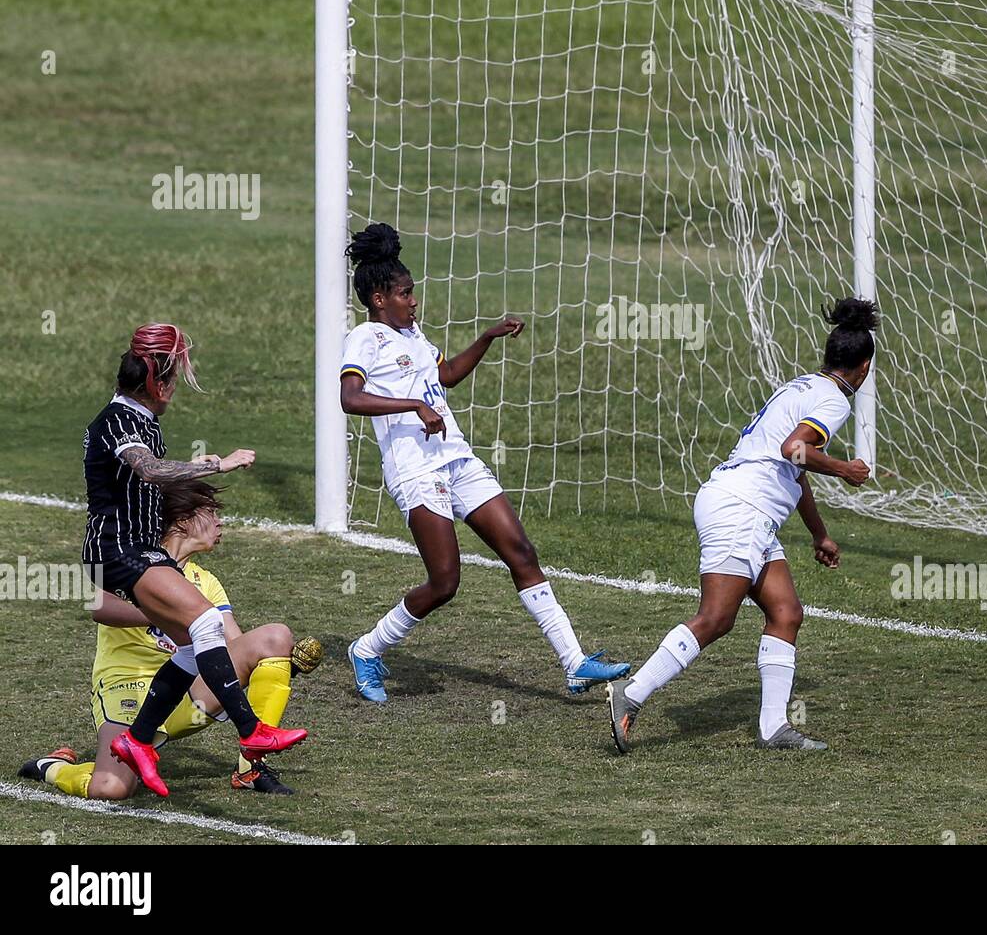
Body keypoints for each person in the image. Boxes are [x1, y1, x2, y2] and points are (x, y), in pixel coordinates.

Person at [340, 223, 630, 701]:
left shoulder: (412, 334)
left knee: (520, 551)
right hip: (415, 470)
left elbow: (446, 375)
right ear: (378, 298)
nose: (414, 301)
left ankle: (575, 663)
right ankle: (368, 649)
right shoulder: (366, 338)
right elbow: (350, 398)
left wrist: (487, 337)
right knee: (445, 581)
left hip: (457, 459)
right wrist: (413, 407)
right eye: (405, 294)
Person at [607, 298, 877, 752]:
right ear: (864, 367)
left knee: (786, 612)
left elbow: (794, 468)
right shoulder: (832, 400)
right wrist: (844, 469)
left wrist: (819, 533)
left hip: (740, 504)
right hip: (742, 508)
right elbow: (795, 450)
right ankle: (629, 694)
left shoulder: (801, 387)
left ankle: (773, 728)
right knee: (715, 618)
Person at [81, 323, 307, 797]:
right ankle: (250, 732)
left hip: (143, 550)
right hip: (118, 551)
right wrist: (214, 464)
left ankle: (139, 741)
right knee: (204, 622)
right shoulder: (119, 420)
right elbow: (149, 468)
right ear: (156, 384)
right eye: (173, 383)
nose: (173, 394)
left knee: (190, 639)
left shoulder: (143, 420)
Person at [21, 480, 323, 797]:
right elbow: (101, 607)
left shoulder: (206, 582)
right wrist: (172, 612)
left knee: (274, 638)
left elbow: (235, 647)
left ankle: (251, 768)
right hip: (128, 688)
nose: (221, 523)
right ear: (182, 520)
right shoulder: (133, 562)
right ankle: (52, 767)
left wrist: (283, 665)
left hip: (188, 692)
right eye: (211, 513)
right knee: (111, 788)